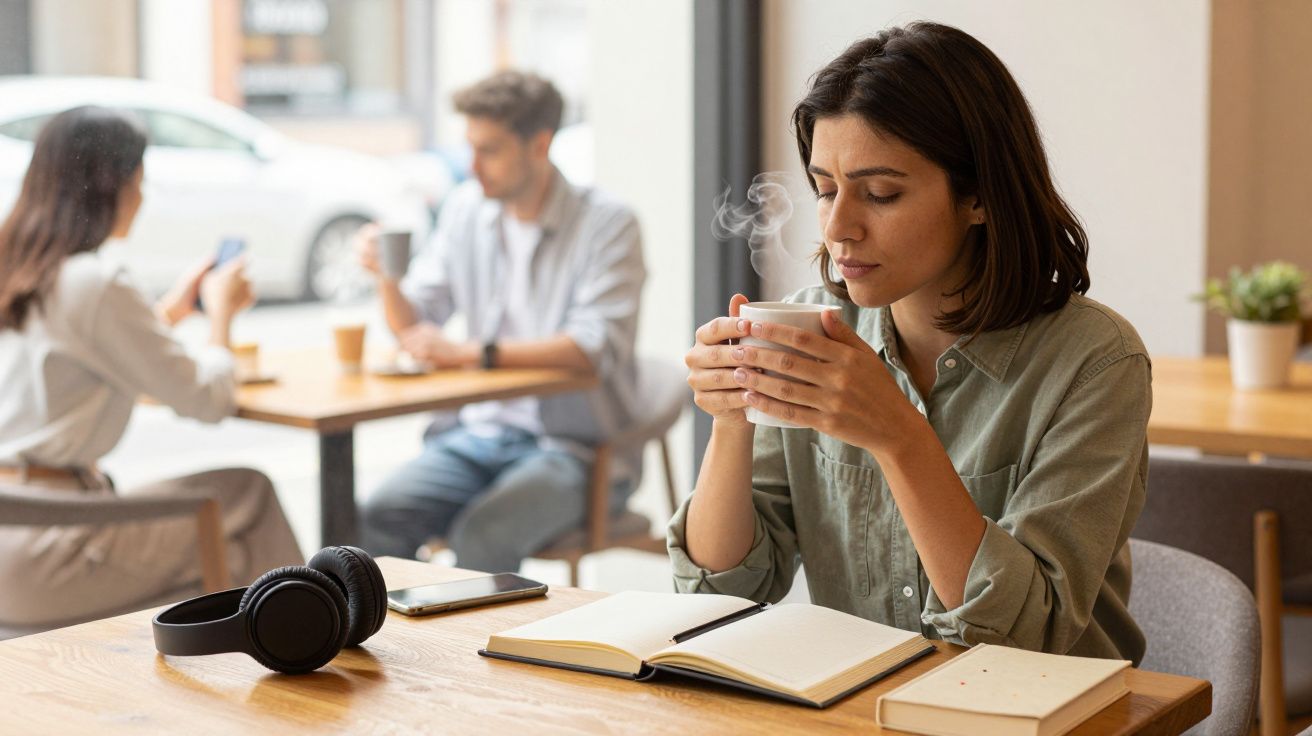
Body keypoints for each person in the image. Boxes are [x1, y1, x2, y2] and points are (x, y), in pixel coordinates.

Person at [672, 22, 1150, 663]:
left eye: (880, 194)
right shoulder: (818, 333)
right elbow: (722, 590)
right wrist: (732, 420)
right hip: (862, 707)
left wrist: (898, 435)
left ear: (978, 196)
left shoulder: (1095, 361)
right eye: (824, 190)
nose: (839, 227)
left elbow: (1027, 637)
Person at [0, 106, 302, 632]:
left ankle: (273, 639)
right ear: (114, 183)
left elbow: (72, 365)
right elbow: (206, 400)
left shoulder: (20, 267)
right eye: (140, 178)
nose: (142, 195)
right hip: (48, 546)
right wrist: (221, 315)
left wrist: (172, 312)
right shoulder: (97, 281)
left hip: (16, 533)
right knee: (246, 495)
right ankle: (312, 641)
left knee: (230, 540)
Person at [357, 71, 646, 573]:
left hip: (575, 450)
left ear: (539, 144)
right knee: (377, 515)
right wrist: (387, 278)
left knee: (482, 534)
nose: (472, 167)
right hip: (475, 437)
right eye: (469, 147)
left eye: (489, 150)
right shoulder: (467, 210)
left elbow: (593, 345)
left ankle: (473, 654)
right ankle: (398, 647)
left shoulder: (608, 224)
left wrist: (473, 353)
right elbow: (416, 326)